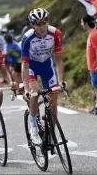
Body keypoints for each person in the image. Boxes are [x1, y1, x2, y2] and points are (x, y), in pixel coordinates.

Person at [21, 8, 64, 145]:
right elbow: (25, 66)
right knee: (34, 94)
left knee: (54, 95)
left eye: (44, 22)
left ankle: (51, 130)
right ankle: (33, 125)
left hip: (47, 66)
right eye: (38, 24)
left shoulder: (55, 33)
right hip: (32, 67)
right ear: (32, 25)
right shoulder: (27, 38)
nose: (42, 26)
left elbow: (59, 60)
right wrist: (26, 88)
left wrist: (61, 81)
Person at [80, 15, 97, 115]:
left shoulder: (93, 35)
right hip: (93, 66)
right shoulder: (92, 34)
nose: (81, 24)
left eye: (82, 22)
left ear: (87, 23)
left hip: (96, 67)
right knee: (96, 86)